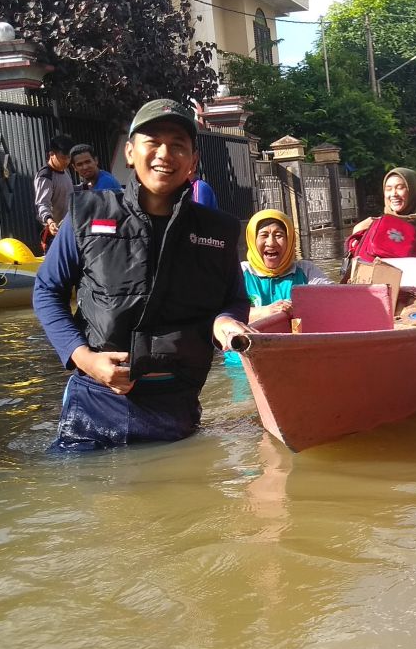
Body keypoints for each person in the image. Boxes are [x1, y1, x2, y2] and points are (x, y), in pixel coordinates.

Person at [32, 99, 251, 451]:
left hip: (176, 411)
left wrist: (226, 322)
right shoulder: (87, 214)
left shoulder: (218, 230)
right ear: (131, 153)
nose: (165, 153)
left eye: (178, 145)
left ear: (193, 161)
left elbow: (235, 299)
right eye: (153, 142)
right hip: (93, 407)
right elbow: (46, 290)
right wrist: (84, 358)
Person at [343, 167, 416, 287]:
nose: (393, 194)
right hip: (385, 287)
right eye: (388, 189)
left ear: (412, 191)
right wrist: (357, 231)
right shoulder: (376, 225)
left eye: (400, 188)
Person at [242, 209, 333, 321]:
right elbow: (223, 313)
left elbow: (332, 300)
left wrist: (298, 306)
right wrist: (264, 311)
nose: (271, 243)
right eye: (264, 235)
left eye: (278, 235)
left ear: (290, 240)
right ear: (252, 240)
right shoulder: (240, 272)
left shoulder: (306, 270)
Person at [34, 134, 74, 251]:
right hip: (52, 232)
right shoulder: (45, 176)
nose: (67, 161)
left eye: (69, 157)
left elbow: (66, 190)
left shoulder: (65, 171)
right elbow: (42, 203)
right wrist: (50, 222)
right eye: (63, 157)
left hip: (68, 228)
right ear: (51, 154)